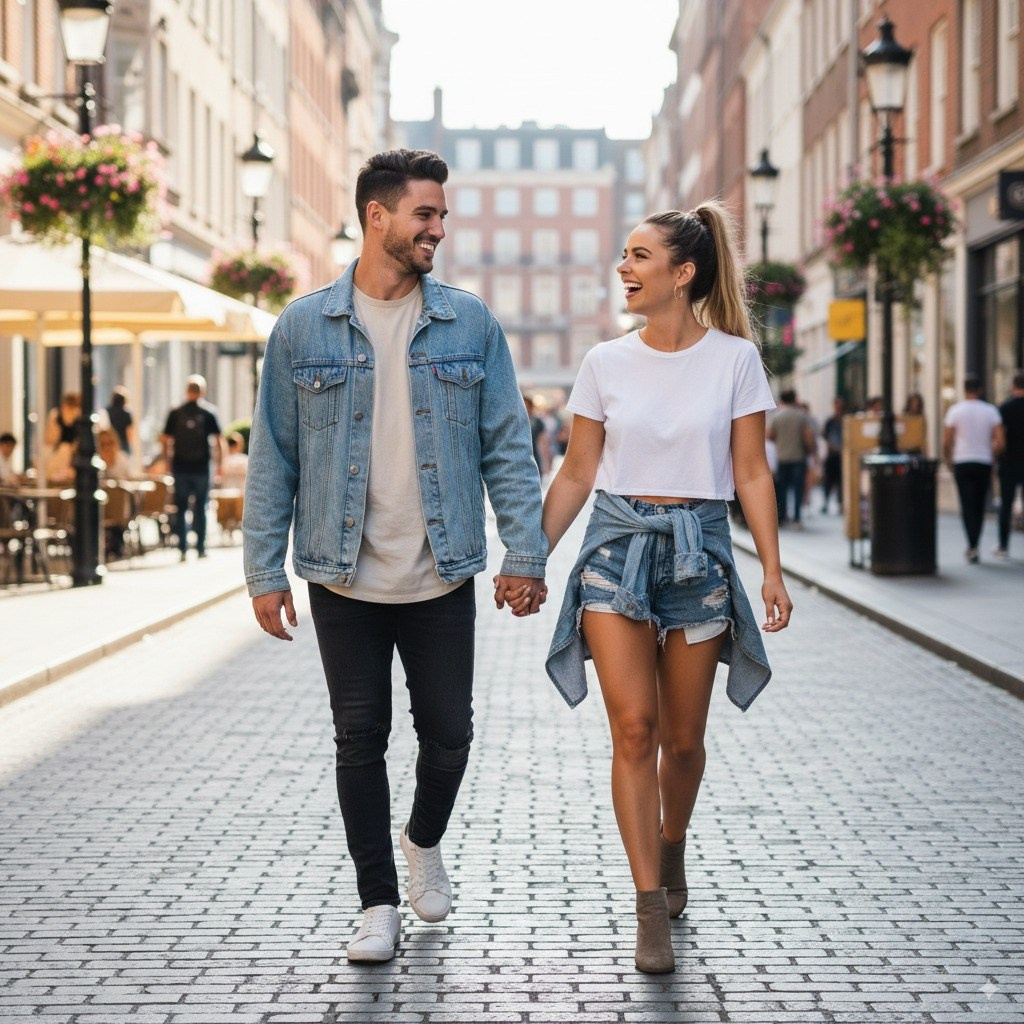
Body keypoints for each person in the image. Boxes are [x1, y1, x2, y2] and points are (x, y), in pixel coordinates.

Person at [243, 149, 547, 964]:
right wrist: (264, 571)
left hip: (440, 566)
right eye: (426, 214)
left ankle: (421, 838)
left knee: (450, 734)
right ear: (377, 216)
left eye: (442, 216)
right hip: (342, 571)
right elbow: (273, 455)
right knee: (359, 734)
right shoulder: (303, 326)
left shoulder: (468, 323)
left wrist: (526, 549)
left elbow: (507, 447)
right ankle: (377, 901)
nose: (438, 230)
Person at [542, 202, 792, 974]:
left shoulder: (735, 360)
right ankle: (649, 906)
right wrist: (529, 557)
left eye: (640, 256)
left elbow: (749, 468)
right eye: (625, 254)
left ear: (683, 273)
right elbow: (579, 471)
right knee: (635, 732)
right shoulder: (604, 363)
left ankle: (672, 843)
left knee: (684, 742)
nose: (624, 267)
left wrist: (773, 569)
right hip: (616, 551)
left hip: (699, 554)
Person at [161, 375, 223, 561]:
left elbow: (165, 439)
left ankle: (182, 548)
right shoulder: (208, 413)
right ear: (202, 392)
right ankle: (201, 548)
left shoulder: (176, 412)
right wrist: (219, 465)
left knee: (181, 507)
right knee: (201, 507)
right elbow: (219, 441)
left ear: (186, 391)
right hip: (202, 467)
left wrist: (167, 461)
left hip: (180, 466)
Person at [943, 376, 1004, 563]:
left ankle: (972, 545)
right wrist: (993, 455)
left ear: (964, 389)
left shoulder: (955, 411)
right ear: (980, 390)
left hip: (962, 461)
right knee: (978, 505)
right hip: (983, 461)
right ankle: (974, 542)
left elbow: (946, 441)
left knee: (967, 505)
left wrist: (948, 460)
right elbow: (1000, 442)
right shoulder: (990, 411)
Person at [767, 389, 815, 528]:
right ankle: (796, 518)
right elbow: (808, 438)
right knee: (798, 489)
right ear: (795, 399)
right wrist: (810, 451)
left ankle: (782, 517)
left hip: (781, 458)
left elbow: (769, 435)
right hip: (798, 458)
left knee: (782, 489)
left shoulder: (776, 416)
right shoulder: (801, 416)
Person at [996, 370, 1024, 557]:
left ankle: (1003, 546)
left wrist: (997, 455)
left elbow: (1000, 440)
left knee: (1005, 504)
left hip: (1009, 462)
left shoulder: (1004, 408)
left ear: (1013, 386)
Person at [43, 392, 81, 483]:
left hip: (73, 454)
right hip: (59, 453)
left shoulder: (79, 416)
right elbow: (50, 439)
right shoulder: (56, 415)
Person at [821, 396, 846, 514]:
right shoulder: (830, 421)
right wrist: (832, 446)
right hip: (832, 454)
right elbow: (824, 435)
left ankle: (840, 503)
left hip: (843, 455)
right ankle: (825, 501)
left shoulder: (845, 420)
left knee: (841, 480)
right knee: (828, 480)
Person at [104, 386, 136, 454]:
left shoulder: (107, 411)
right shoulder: (127, 413)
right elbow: (129, 431)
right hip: (123, 443)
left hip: (110, 443)